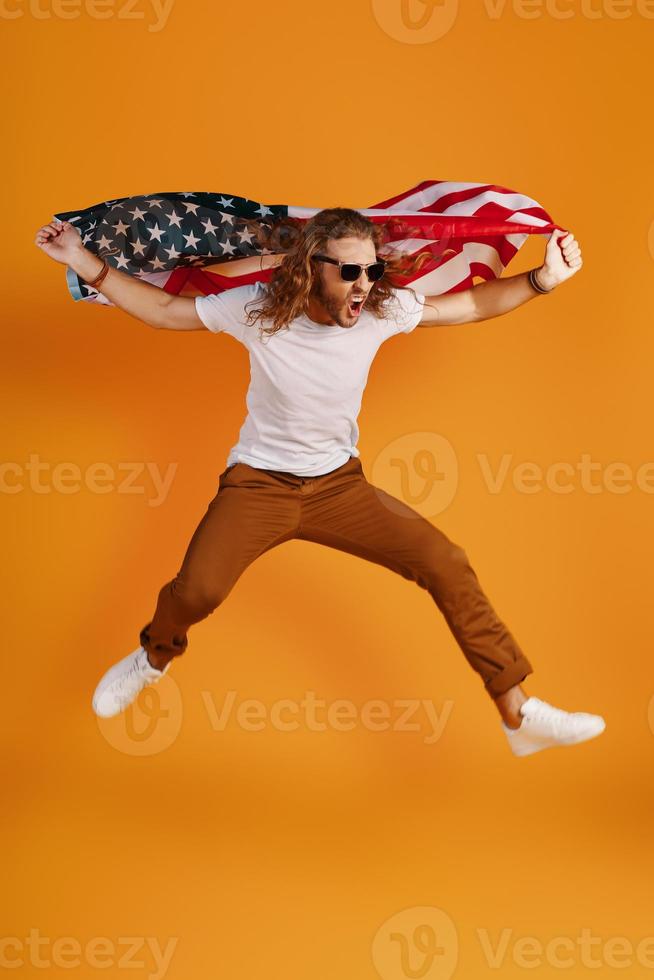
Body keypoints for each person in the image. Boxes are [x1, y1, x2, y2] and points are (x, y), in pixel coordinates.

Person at [35, 207, 605, 757]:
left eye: (372, 269)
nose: (364, 284)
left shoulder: (383, 310)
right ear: (312, 267)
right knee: (197, 593)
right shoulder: (258, 310)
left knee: (446, 560)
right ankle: (153, 658)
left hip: (339, 488)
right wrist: (82, 259)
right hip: (258, 486)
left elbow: (469, 306)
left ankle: (517, 713)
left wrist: (542, 280)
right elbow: (163, 309)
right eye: (349, 271)